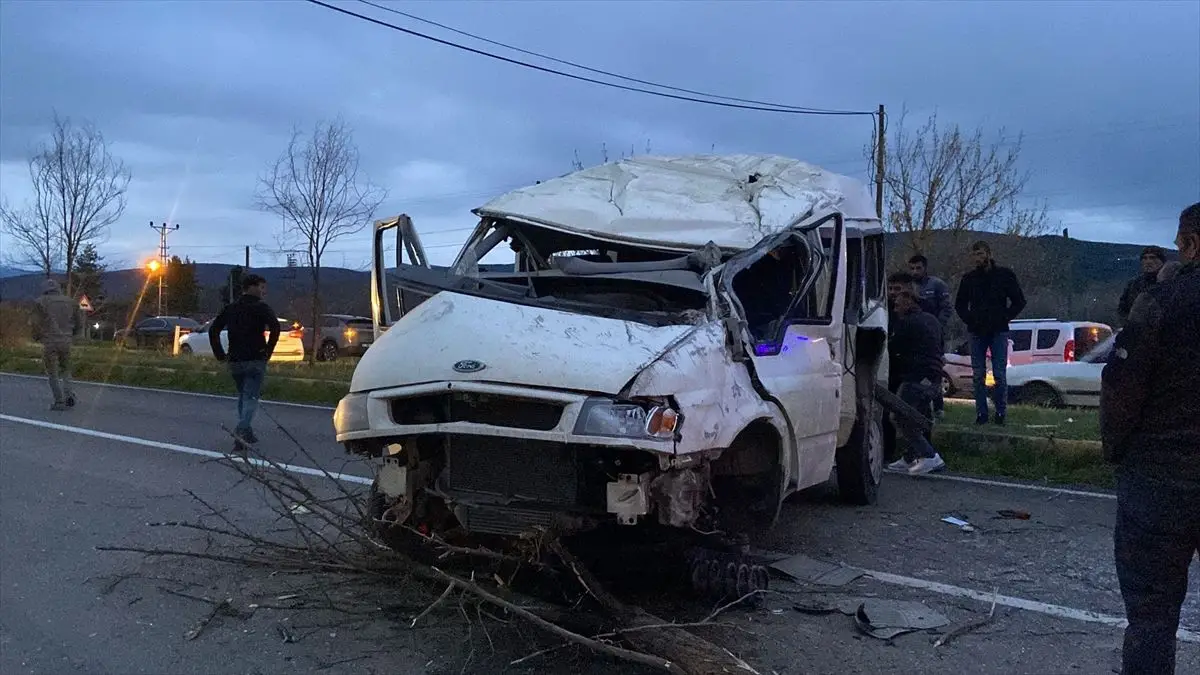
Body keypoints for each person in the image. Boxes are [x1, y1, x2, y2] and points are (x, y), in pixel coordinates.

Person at [1101, 202, 1200, 675]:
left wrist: (1117, 450)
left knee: (1151, 616)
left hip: (1160, 476)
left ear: (1191, 244)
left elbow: (1122, 387)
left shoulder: (1161, 302)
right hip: (1161, 470)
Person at [954, 241, 1026, 426]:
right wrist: (970, 319)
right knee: (978, 374)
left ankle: (1000, 412)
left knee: (999, 374)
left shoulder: (1004, 275)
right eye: (975, 255)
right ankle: (981, 413)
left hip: (998, 330)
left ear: (988, 254)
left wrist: (1005, 317)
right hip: (977, 331)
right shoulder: (969, 279)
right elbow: (960, 304)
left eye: (980, 254)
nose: (977, 258)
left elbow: (1019, 301)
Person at [209, 274, 279, 446]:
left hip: (235, 360)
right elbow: (275, 327)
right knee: (250, 397)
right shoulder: (261, 307)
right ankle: (242, 429)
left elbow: (213, 330)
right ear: (251, 287)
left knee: (243, 395)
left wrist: (220, 354)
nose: (263, 291)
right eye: (261, 287)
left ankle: (247, 432)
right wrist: (268, 351)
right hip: (255, 358)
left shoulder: (231, 308)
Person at [884, 282, 946, 475]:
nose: (895, 309)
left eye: (897, 305)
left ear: (908, 303)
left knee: (899, 416)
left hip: (916, 376)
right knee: (917, 417)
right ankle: (910, 457)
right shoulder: (932, 320)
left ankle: (929, 455)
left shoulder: (907, 323)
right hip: (934, 377)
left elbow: (892, 348)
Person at [908, 254, 953, 420]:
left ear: (925, 268)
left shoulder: (937, 285)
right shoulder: (909, 286)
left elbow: (947, 308)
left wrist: (937, 327)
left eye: (918, 268)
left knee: (935, 369)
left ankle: (938, 406)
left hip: (933, 335)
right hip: (914, 333)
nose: (915, 272)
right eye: (912, 268)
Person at [31, 277, 79, 411]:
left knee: (52, 372)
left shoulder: (40, 302)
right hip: (66, 341)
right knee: (66, 369)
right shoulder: (71, 302)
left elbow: (35, 323)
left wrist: (36, 336)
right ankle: (69, 393)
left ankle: (59, 401)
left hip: (50, 341)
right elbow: (78, 322)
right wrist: (73, 335)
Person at [1117, 246, 1167, 324]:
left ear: (1162, 261)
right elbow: (1123, 308)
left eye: (1153, 258)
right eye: (1145, 258)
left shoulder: (1170, 283)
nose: (1148, 261)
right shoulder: (1134, 284)